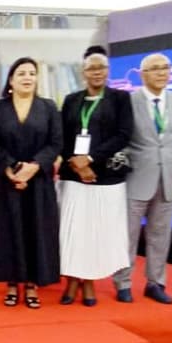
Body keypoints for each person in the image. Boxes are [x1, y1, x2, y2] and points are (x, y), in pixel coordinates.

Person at [112, 53, 172, 304]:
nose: (161, 73)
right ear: (143, 74)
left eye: (165, 68)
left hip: (167, 179)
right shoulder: (128, 101)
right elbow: (120, 137)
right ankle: (123, 283)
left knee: (160, 235)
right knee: (128, 235)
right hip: (137, 177)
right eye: (155, 69)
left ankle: (155, 283)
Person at [0, 57, 61, 308]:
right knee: (9, 232)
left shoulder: (48, 107)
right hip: (6, 182)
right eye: (21, 73)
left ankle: (31, 283)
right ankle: (11, 283)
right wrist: (11, 170)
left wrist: (34, 167)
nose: (27, 77)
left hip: (38, 183)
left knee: (35, 231)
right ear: (11, 80)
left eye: (32, 73)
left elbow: (56, 143)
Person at [58, 52, 133, 306]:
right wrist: (76, 163)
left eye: (102, 67)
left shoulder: (121, 99)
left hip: (106, 178)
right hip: (73, 177)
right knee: (74, 232)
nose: (97, 72)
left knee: (95, 233)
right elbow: (61, 136)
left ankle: (88, 282)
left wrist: (89, 159)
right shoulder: (70, 100)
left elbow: (123, 135)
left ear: (108, 70)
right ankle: (73, 279)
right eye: (92, 68)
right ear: (83, 72)